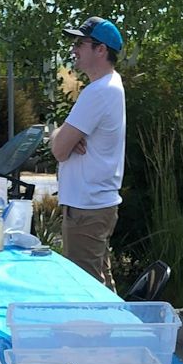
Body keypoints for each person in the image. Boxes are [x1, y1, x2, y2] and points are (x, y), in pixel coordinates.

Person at [49, 15, 126, 287]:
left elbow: (58, 149)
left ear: (101, 49)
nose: (73, 50)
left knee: (84, 289)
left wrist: (60, 135)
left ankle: (98, 332)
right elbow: (64, 142)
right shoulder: (110, 86)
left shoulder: (99, 92)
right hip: (95, 205)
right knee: (100, 283)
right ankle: (115, 329)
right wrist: (65, 135)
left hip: (87, 207)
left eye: (81, 43)